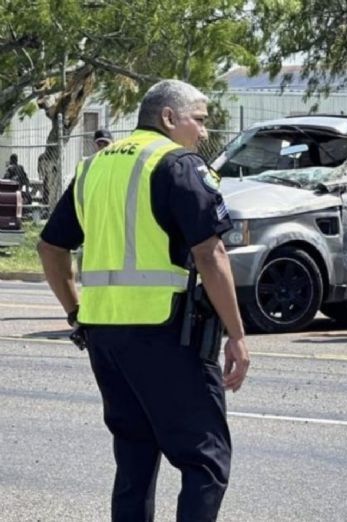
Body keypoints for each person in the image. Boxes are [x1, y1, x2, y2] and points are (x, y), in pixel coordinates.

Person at [37, 79, 250, 521]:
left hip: (104, 337)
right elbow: (211, 254)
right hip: (167, 333)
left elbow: (50, 248)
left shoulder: (93, 167)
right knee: (205, 460)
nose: (204, 133)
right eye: (200, 120)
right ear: (169, 118)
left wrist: (76, 310)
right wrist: (237, 334)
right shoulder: (176, 163)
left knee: (134, 457)